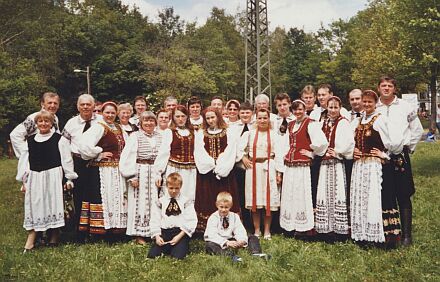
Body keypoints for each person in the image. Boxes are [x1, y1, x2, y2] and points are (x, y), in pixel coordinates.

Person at [16, 110, 77, 252]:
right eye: (40, 121)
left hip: (53, 175)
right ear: (36, 124)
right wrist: (24, 180)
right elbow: (25, 162)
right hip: (35, 177)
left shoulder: (59, 139)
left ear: (51, 124)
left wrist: (69, 178)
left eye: (47, 121)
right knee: (35, 204)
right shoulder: (30, 141)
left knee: (53, 203)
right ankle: (32, 238)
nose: (43, 124)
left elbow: (66, 159)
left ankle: (54, 236)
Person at [375, 76, 423, 246]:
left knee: (403, 193)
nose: (386, 88)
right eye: (383, 86)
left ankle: (407, 236)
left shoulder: (404, 106)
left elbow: (417, 129)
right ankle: (388, 234)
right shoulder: (374, 106)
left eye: (389, 86)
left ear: (394, 88)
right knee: (384, 194)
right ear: (379, 88)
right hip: (380, 157)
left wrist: (408, 147)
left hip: (400, 156)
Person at [350, 90, 400, 244]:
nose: (366, 104)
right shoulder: (357, 121)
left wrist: (384, 154)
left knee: (375, 197)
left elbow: (394, 141)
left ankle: (384, 235)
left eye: (369, 102)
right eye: (364, 102)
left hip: (374, 166)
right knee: (363, 197)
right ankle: (364, 232)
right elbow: (349, 141)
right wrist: (353, 151)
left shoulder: (380, 120)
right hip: (360, 166)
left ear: (375, 103)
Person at [78, 101, 128, 237]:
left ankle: (116, 227)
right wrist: (99, 153)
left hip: (117, 170)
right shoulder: (99, 127)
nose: (110, 115)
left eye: (113, 113)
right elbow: (83, 145)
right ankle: (100, 229)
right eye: (107, 112)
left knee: (116, 197)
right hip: (102, 170)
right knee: (105, 197)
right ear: (102, 113)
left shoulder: (119, 127)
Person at [279, 100, 328, 234]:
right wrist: (284, 156)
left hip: (302, 165)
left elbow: (322, 143)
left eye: (300, 109)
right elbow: (286, 144)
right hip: (290, 164)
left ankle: (302, 226)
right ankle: (290, 225)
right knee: (290, 192)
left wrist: (312, 153)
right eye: (295, 110)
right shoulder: (290, 125)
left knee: (301, 193)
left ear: (305, 109)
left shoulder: (310, 123)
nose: (298, 112)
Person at [59, 94, 101, 241]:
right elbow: (63, 146)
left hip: (96, 163)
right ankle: (78, 231)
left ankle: (95, 230)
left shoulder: (101, 121)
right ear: (77, 106)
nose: (85, 107)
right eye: (82, 104)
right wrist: (68, 171)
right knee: (78, 196)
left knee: (95, 196)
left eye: (88, 104)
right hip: (78, 164)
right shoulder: (71, 123)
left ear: (94, 106)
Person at [239, 109, 284, 239]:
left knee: (267, 201)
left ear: (269, 119)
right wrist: (243, 158)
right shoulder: (249, 134)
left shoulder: (274, 135)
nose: (262, 121)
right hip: (253, 168)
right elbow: (238, 149)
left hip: (269, 167)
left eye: (265, 118)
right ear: (256, 119)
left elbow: (279, 154)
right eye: (260, 118)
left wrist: (279, 173)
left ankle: (267, 230)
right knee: (256, 201)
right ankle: (257, 229)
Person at [194, 107, 240, 232]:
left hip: (225, 172)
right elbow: (199, 151)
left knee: (225, 197)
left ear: (218, 116)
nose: (210, 120)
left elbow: (231, 150)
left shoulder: (228, 131)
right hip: (207, 173)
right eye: (207, 118)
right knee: (208, 199)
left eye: (212, 117)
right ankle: (208, 228)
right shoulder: (201, 133)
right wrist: (210, 164)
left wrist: (221, 167)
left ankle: (228, 227)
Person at [120, 111, 162, 245]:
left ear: (155, 123)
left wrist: (161, 173)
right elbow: (127, 156)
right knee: (140, 203)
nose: (149, 123)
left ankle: (153, 232)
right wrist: (131, 175)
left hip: (155, 171)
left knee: (155, 202)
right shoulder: (135, 136)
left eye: (151, 121)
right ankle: (138, 234)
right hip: (140, 171)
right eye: (146, 121)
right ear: (141, 123)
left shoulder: (160, 136)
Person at [315, 96, 354, 237]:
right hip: (324, 163)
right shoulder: (323, 123)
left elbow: (349, 142)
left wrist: (338, 151)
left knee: (337, 192)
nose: (332, 110)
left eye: (335, 107)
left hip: (337, 162)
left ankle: (339, 228)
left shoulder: (343, 122)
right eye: (330, 107)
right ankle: (326, 227)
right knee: (324, 192)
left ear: (340, 108)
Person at [147, 173, 197, 260]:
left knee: (177, 257)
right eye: (171, 188)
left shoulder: (186, 201)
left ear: (180, 187)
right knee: (152, 255)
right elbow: (155, 219)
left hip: (179, 233)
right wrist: (157, 237)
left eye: (176, 188)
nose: (174, 191)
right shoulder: (160, 202)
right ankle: (167, 247)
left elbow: (191, 220)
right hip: (165, 233)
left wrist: (179, 237)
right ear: (166, 186)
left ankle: (179, 247)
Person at [204, 192, 264, 261]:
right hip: (218, 241)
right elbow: (212, 235)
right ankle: (231, 257)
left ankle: (255, 253)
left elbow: (239, 229)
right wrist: (226, 242)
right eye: (221, 207)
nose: (223, 210)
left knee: (252, 237)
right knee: (209, 245)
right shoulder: (213, 218)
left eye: (226, 207)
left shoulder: (234, 216)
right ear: (217, 205)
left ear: (231, 206)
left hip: (231, 239)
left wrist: (241, 240)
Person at [153, 105, 197, 201]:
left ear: (187, 117)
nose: (180, 119)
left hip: (191, 171)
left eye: (183, 116)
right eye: (177, 116)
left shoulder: (193, 132)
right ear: (173, 117)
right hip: (174, 169)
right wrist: (158, 173)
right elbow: (163, 153)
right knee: (173, 196)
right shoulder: (169, 132)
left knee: (189, 197)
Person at [10, 92, 60, 158]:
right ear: (42, 104)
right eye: (49, 103)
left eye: (55, 103)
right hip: (36, 158)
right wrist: (25, 154)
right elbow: (15, 135)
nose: (53, 106)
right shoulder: (34, 118)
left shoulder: (55, 118)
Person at [234, 101, 254, 231]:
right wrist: (242, 157)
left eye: (247, 112)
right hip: (239, 166)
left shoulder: (256, 126)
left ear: (252, 113)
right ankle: (245, 223)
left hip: (253, 165)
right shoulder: (234, 127)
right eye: (242, 112)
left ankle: (256, 223)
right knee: (241, 194)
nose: (245, 115)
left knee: (253, 193)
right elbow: (232, 146)